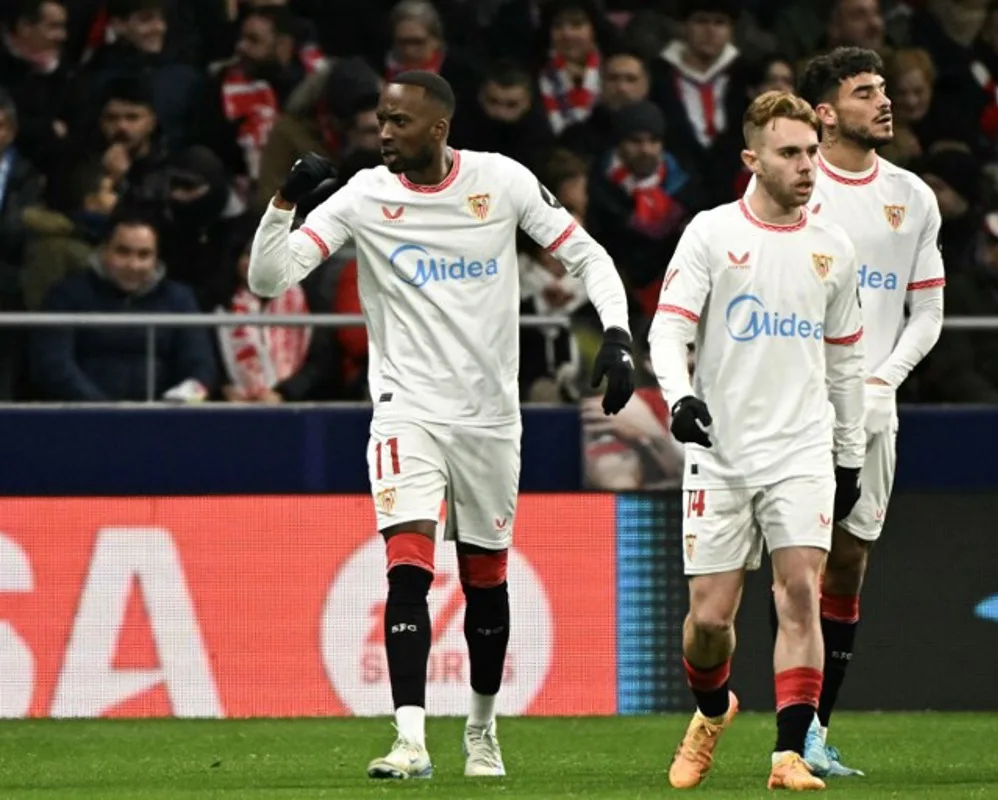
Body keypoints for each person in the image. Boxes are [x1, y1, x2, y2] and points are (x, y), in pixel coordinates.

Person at [247, 70, 635, 780]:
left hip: (490, 416)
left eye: (397, 122)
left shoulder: (502, 182)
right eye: (380, 119)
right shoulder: (365, 194)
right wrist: (283, 202)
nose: (383, 132)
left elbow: (587, 254)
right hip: (407, 409)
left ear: (438, 129)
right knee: (407, 570)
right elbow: (270, 280)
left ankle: (482, 733)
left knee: (486, 578)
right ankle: (410, 740)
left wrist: (616, 333)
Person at [649, 89, 866, 792]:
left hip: (802, 448)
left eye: (812, 152)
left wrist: (851, 452)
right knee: (709, 622)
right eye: (791, 153)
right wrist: (679, 397)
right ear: (752, 158)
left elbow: (846, 361)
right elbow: (668, 328)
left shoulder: (834, 248)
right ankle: (714, 710)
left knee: (799, 590)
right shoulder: (712, 234)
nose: (808, 166)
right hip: (722, 451)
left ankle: (788, 755)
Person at [746, 46, 945, 778]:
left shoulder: (912, 196)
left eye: (885, 88)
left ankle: (815, 731)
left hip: (873, 409)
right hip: (792, 408)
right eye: (866, 92)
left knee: (848, 566)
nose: (884, 101)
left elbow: (927, 311)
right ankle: (788, 731)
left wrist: (882, 380)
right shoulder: (793, 183)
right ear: (826, 112)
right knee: (799, 566)